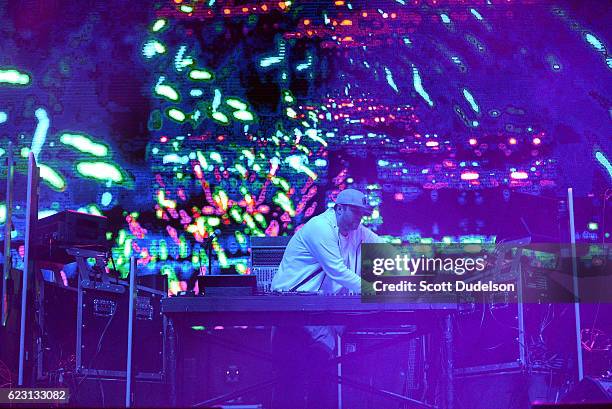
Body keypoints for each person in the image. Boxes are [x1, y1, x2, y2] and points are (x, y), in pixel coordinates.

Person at [270, 188, 383, 409]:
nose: (360, 219)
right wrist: (373, 290)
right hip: (292, 312)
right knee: (289, 386)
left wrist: (413, 260)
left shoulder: (355, 229)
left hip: (318, 316)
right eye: (356, 213)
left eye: (362, 214)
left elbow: (382, 247)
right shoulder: (320, 227)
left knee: (320, 385)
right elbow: (337, 271)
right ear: (339, 208)